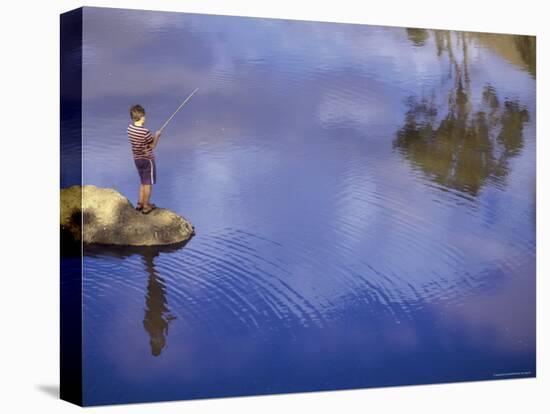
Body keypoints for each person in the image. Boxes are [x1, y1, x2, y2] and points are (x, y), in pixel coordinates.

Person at [127, 104, 162, 214]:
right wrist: (157, 136)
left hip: (137, 160)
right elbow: (152, 146)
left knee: (142, 182)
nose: (145, 118)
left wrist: (150, 138)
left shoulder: (130, 129)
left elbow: (141, 141)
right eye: (144, 116)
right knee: (148, 184)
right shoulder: (145, 131)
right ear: (142, 117)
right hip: (147, 160)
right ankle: (146, 206)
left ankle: (140, 203)